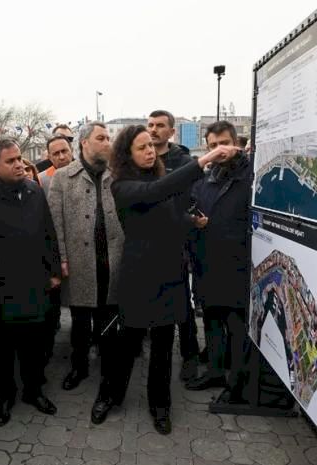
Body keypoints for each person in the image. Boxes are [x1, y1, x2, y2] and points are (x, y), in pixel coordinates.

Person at [97, 125, 236, 434]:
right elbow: (152, 196)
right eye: (141, 147)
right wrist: (202, 161)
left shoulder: (162, 180)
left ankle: (160, 407)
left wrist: (191, 222)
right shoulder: (122, 185)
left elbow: (168, 218)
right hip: (137, 277)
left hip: (169, 275)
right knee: (127, 344)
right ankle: (109, 396)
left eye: (151, 146)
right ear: (127, 155)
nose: (149, 151)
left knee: (162, 347)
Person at [0, 139, 61, 427]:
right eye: (11, 161)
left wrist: (54, 270)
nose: (19, 164)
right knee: (1, 349)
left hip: (35, 284)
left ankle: (33, 391)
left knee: (35, 344)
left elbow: (48, 233)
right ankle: (6, 394)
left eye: (20, 158)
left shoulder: (33, 191)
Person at [46, 123, 124, 393]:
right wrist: (62, 259)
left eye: (108, 138)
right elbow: (55, 223)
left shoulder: (119, 173)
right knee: (80, 321)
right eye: (101, 138)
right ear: (84, 143)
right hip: (80, 263)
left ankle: (110, 369)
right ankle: (79, 367)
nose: (107, 142)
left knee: (109, 318)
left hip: (113, 260)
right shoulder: (63, 178)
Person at [186, 121, 253, 399]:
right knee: (211, 322)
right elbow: (191, 206)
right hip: (207, 262)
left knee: (236, 326)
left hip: (238, 264)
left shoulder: (251, 175)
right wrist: (192, 219)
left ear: (236, 141)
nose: (218, 150)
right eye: (212, 146)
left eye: (224, 143)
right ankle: (214, 372)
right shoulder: (204, 178)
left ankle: (235, 383)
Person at [148, 109, 201, 380]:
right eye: (150, 125)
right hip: (146, 244)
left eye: (160, 125)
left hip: (176, 242)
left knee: (182, 302)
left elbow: (189, 198)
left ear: (171, 131)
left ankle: (189, 354)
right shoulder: (141, 160)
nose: (154, 130)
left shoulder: (183, 162)